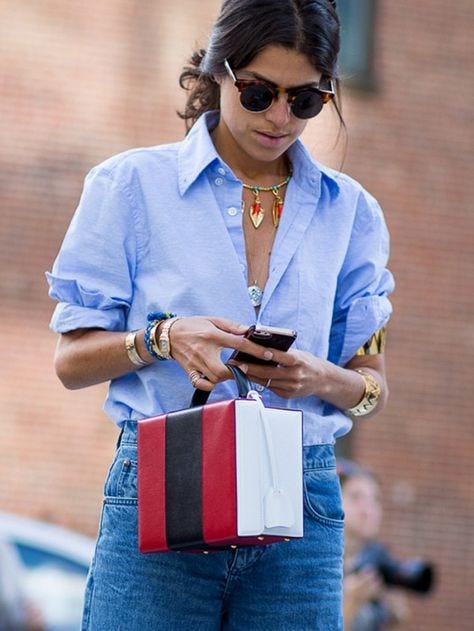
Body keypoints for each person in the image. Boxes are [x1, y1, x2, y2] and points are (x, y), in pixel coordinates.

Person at [47, 1, 394, 628]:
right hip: (167, 484)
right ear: (218, 72)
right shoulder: (130, 186)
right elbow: (71, 362)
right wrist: (162, 338)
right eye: (259, 94)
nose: (281, 118)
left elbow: (371, 387)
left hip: (301, 502)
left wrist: (317, 376)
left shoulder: (353, 214)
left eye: (306, 100)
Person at [339, 460, 410, 630]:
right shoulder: (316, 562)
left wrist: (392, 616)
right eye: (356, 497)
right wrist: (352, 601)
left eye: (375, 499)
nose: (368, 510)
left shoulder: (379, 558)